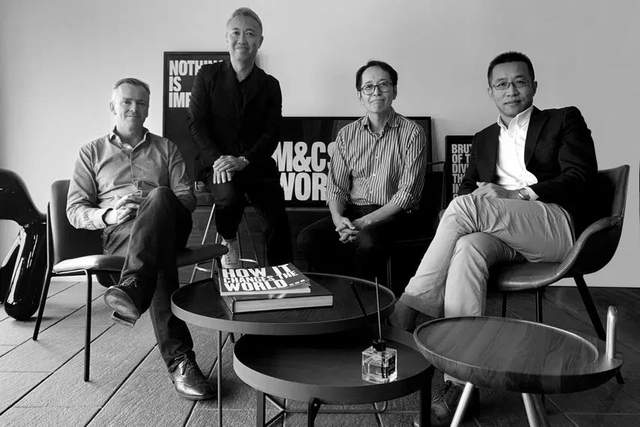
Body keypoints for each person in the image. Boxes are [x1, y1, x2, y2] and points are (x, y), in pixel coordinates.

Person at [390, 51, 597, 426]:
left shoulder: (563, 119)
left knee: (464, 208)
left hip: (554, 225)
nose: (511, 90)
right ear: (490, 92)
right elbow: (467, 189)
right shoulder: (484, 138)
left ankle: (411, 304)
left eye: (520, 82)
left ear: (534, 86)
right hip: (502, 236)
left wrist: (517, 194)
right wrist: (468, 207)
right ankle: (461, 382)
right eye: (502, 84)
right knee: (467, 247)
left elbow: (580, 178)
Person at [67, 78, 214, 401]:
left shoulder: (166, 148)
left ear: (148, 109)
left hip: (170, 224)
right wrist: (110, 214)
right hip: (122, 232)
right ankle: (180, 361)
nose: (134, 108)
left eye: (141, 103)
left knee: (160, 196)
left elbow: (186, 198)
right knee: (155, 256)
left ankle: (133, 287)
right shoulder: (91, 152)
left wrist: (152, 202)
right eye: (127, 102)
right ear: (113, 106)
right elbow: (75, 211)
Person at [297, 60, 428, 282]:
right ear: (360, 95)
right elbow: (336, 187)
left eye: (383, 84)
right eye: (368, 87)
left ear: (394, 91)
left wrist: (363, 223)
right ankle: (341, 291)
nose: (376, 92)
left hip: (393, 215)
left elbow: (407, 195)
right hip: (353, 211)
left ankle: (364, 296)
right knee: (307, 238)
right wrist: (339, 220)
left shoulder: (413, 133)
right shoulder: (346, 134)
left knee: (367, 241)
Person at [188, 7, 292, 268]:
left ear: (260, 41)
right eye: (236, 33)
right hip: (216, 163)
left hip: (255, 164)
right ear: (227, 38)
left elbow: (272, 133)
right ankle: (229, 241)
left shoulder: (270, 85)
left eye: (250, 33)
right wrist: (219, 160)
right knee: (228, 196)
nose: (242, 40)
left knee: (276, 214)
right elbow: (196, 124)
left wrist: (245, 160)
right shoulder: (207, 76)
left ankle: (282, 273)